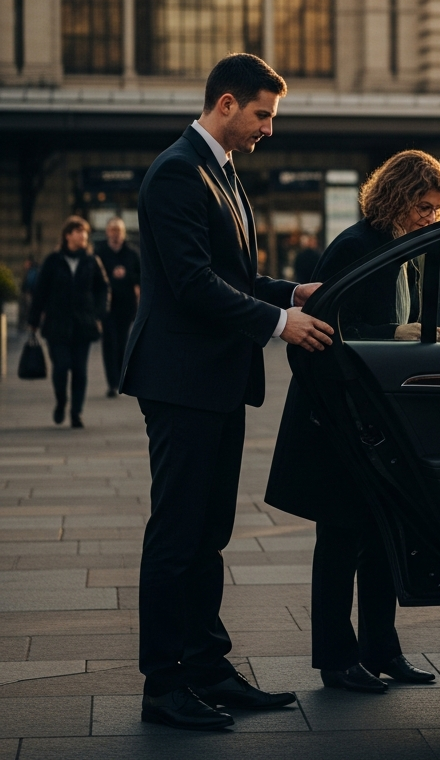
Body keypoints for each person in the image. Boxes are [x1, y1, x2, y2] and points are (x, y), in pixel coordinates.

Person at [120, 53, 334, 732]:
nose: (268, 128)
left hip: (213, 382)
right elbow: (191, 284)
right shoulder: (179, 173)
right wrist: (281, 323)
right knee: (178, 536)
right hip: (182, 383)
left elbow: (232, 274)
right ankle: (164, 684)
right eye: (262, 114)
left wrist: (289, 291)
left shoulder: (220, 171)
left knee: (207, 533)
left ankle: (206, 667)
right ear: (226, 104)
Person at [266, 150, 440, 695]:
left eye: (436, 210)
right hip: (337, 420)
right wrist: (393, 333)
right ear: (397, 196)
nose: (429, 217)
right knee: (341, 541)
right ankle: (336, 659)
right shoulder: (355, 246)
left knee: (379, 537)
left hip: (371, 419)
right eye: (423, 206)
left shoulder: (399, 246)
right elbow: (319, 332)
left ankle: (381, 650)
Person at [28, 217, 110, 429]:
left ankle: (76, 413)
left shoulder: (91, 260)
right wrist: (33, 321)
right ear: (67, 235)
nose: (83, 236)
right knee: (61, 367)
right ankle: (61, 401)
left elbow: (103, 288)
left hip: (83, 324)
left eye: (85, 232)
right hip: (57, 324)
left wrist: (98, 314)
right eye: (78, 231)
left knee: (80, 371)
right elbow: (40, 292)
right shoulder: (53, 261)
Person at [96, 217, 141, 398]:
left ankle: (122, 378)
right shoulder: (100, 253)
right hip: (106, 306)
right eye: (112, 230)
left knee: (123, 342)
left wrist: (127, 275)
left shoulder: (132, 253)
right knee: (109, 342)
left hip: (126, 305)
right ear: (107, 232)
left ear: (123, 233)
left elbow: (140, 276)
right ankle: (112, 382)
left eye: (118, 231)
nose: (115, 234)